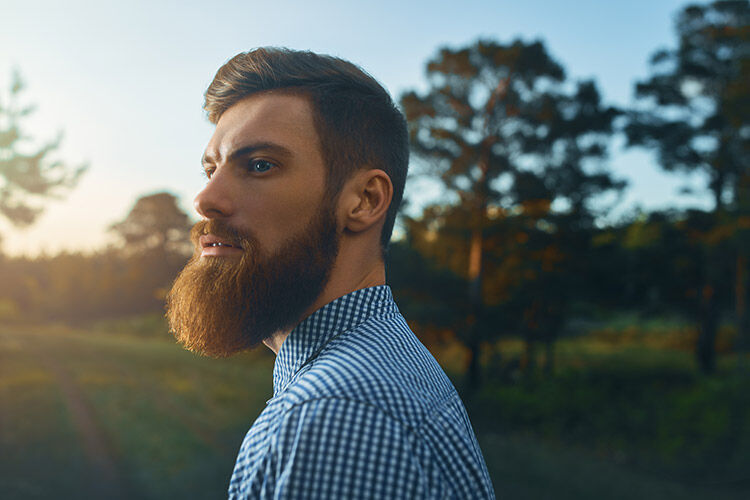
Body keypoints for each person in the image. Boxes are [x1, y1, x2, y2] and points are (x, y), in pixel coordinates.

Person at [166, 47, 496, 499]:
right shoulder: (385, 361)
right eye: (211, 167)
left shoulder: (333, 412)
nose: (205, 199)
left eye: (260, 165)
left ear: (364, 200)